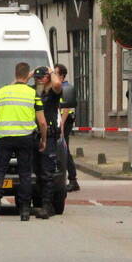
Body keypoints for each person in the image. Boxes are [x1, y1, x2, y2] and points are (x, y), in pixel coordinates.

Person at [0, 62, 46, 222]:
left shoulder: (2, 92)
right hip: (26, 138)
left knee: (0, 170)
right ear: (28, 75)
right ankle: (25, 210)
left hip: (5, 137)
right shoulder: (32, 93)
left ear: (15, 74)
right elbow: (42, 122)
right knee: (25, 174)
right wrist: (43, 139)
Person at [33, 66, 64, 219]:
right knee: (37, 172)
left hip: (49, 136)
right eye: (37, 78)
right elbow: (15, 87)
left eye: (41, 77)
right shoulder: (33, 92)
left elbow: (58, 84)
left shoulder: (53, 93)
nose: (39, 80)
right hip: (34, 135)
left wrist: (52, 72)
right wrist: (30, 74)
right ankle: (39, 204)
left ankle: (47, 206)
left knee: (47, 172)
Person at [56, 64, 79, 192]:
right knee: (64, 150)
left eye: (56, 73)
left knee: (64, 150)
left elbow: (65, 108)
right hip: (62, 122)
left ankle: (73, 179)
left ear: (62, 76)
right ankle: (71, 179)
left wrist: (62, 125)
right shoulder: (60, 87)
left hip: (65, 122)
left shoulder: (65, 88)